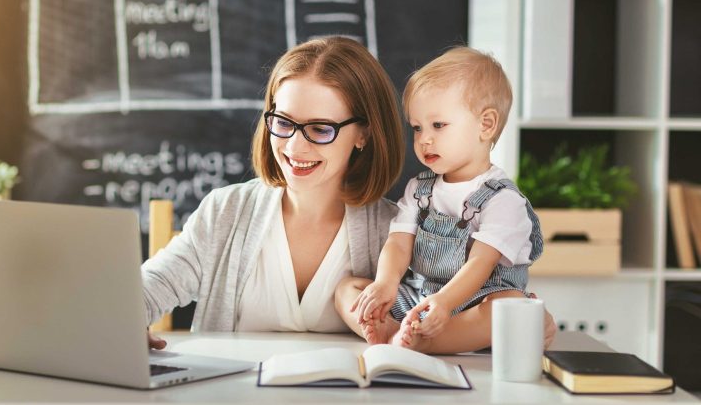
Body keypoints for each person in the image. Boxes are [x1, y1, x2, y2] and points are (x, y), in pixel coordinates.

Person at [143, 36, 405, 348]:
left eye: (320, 129)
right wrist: (126, 320)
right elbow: (152, 286)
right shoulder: (226, 210)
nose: (294, 146)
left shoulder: (397, 233)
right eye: (283, 122)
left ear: (364, 133)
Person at [335, 46, 549, 354]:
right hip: (421, 298)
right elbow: (398, 243)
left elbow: (480, 264)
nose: (424, 139)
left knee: (510, 305)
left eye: (438, 125)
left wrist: (445, 304)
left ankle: (421, 342)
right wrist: (385, 283)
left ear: (485, 125)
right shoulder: (419, 189)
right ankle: (397, 330)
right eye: (417, 128)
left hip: (473, 305)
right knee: (347, 289)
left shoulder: (503, 201)